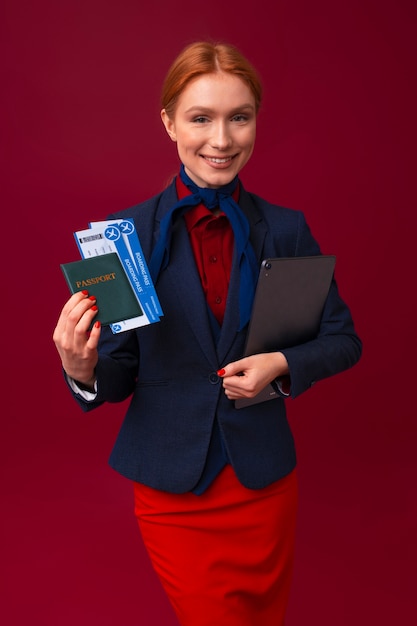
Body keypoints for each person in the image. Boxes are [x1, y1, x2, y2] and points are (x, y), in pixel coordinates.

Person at [53, 41, 362, 626]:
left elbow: (343, 339)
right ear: (169, 122)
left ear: (254, 123)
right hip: (173, 489)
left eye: (238, 118)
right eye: (201, 118)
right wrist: (82, 370)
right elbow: (117, 378)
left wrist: (282, 367)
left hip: (263, 483)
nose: (221, 140)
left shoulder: (287, 230)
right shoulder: (125, 238)